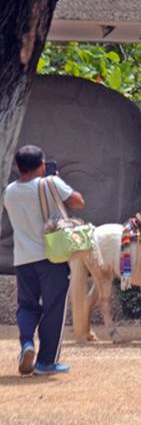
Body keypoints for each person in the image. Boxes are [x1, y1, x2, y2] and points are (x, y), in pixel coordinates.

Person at [3, 145, 85, 376]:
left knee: (27, 305)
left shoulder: (9, 191)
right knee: (53, 308)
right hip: (52, 256)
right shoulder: (51, 183)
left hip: (22, 258)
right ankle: (46, 362)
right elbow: (78, 201)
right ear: (41, 164)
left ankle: (27, 343)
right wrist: (55, 181)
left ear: (17, 166)